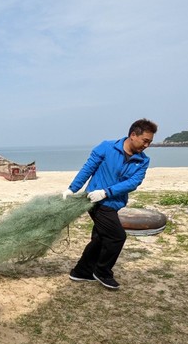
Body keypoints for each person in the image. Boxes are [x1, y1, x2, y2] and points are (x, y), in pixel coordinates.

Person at [63, 119, 157, 290]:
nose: (147, 145)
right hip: (96, 202)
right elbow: (88, 168)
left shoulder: (142, 161)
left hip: (114, 201)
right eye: (145, 141)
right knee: (117, 237)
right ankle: (102, 271)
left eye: (150, 142)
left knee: (100, 238)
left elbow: (133, 182)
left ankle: (81, 271)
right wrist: (72, 189)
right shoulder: (107, 147)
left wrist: (107, 192)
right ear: (133, 135)